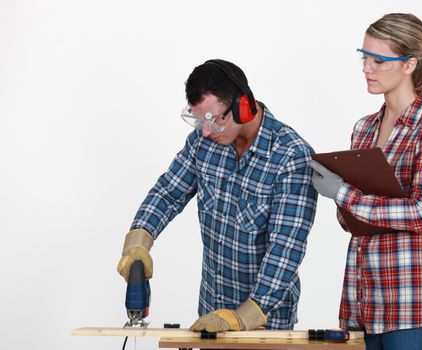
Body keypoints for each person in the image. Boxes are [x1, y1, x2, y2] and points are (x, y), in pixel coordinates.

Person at [117, 59, 318, 332]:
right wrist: (138, 242)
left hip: (264, 324)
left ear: (244, 106)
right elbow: (167, 194)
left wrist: (242, 317)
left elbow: (285, 250)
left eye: (213, 120)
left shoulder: (291, 157)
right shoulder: (203, 143)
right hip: (210, 317)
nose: (206, 131)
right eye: (198, 120)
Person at [310, 13, 422, 350]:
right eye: (364, 57)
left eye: (379, 60)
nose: (367, 68)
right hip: (361, 302)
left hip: (409, 304)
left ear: (409, 65)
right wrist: (338, 198)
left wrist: (344, 192)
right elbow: (351, 222)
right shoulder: (363, 128)